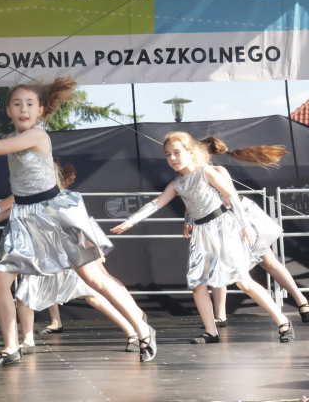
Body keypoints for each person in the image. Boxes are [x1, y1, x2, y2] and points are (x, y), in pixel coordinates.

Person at [0, 76, 155, 366]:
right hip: (26, 218)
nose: (23, 109)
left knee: (93, 279)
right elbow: (15, 195)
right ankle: (11, 347)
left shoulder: (37, 135)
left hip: (56, 215)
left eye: (30, 104)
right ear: (9, 111)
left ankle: (143, 329)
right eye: (17, 104)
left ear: (39, 111)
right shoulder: (10, 139)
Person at [111, 131, 294, 345]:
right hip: (201, 235)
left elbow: (231, 196)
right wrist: (131, 221)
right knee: (197, 284)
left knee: (243, 282)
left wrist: (245, 225)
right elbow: (156, 203)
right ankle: (211, 331)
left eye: (177, 152)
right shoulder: (177, 184)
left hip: (223, 228)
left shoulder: (206, 172)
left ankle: (283, 321)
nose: (172, 158)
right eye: (168, 154)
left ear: (190, 152)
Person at [184, 136, 309, 328]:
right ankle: (220, 316)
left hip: (238, 219)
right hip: (217, 225)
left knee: (269, 262)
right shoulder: (190, 177)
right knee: (218, 266)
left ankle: (302, 302)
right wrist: (189, 220)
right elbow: (191, 204)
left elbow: (229, 198)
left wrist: (211, 205)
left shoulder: (217, 171)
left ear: (206, 155)